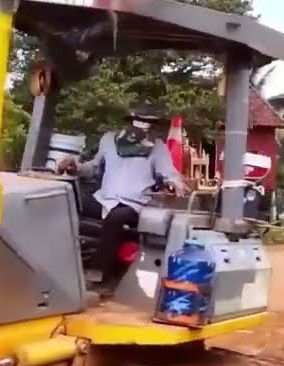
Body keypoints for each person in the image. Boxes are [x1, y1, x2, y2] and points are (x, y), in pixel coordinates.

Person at [58, 107, 188, 295]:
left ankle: (96, 275)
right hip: (104, 198)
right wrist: (75, 168)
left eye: (148, 124)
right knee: (67, 201)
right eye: (139, 121)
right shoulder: (109, 140)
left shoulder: (157, 148)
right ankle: (63, 265)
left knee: (116, 218)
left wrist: (174, 185)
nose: (143, 127)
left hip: (134, 204)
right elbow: (94, 167)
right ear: (129, 122)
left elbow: (170, 174)